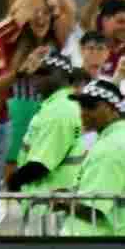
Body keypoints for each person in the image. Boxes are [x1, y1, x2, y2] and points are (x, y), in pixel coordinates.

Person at [9, 54, 88, 200]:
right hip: (46, 199)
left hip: (51, 203)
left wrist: (13, 182)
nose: (35, 78)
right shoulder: (54, 105)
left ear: (62, 76)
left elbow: (41, 165)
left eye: (43, 73)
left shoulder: (61, 110)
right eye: (35, 73)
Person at [61, 80, 125, 236]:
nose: (84, 112)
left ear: (113, 109)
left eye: (91, 106)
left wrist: (61, 201)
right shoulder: (115, 139)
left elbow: (96, 209)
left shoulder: (110, 147)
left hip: (91, 246)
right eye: (81, 106)